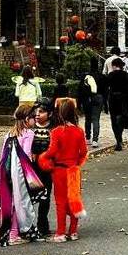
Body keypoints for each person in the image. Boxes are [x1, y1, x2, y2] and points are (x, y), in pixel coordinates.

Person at [39, 98, 89, 242]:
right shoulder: (79, 131)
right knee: (74, 199)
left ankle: (60, 232)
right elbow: (84, 152)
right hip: (73, 169)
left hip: (59, 170)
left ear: (59, 113)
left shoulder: (56, 131)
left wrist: (43, 157)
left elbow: (51, 151)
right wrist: (77, 164)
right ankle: (73, 231)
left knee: (60, 201)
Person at [0, 104, 46, 246]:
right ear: (26, 119)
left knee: (9, 200)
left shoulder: (9, 134)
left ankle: (11, 232)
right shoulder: (29, 134)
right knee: (21, 200)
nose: (35, 120)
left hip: (5, 171)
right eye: (33, 118)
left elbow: (2, 155)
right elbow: (27, 155)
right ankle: (18, 233)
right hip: (19, 172)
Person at [31, 100, 55, 234]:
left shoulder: (53, 129)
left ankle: (42, 224)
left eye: (42, 111)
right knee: (29, 196)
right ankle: (27, 225)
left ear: (50, 114)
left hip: (47, 168)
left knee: (45, 196)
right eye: (36, 111)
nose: (38, 114)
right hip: (31, 168)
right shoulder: (30, 128)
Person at [104, 58, 128, 151]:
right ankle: (127, 135)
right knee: (123, 118)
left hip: (113, 99)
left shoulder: (110, 75)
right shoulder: (126, 76)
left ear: (113, 65)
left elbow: (106, 88)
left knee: (114, 120)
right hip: (124, 100)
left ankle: (118, 140)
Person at [78, 64, 102, 147]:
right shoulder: (98, 76)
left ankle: (88, 138)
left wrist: (78, 105)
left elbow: (79, 93)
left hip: (86, 101)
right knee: (96, 120)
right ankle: (95, 140)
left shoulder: (83, 80)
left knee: (87, 119)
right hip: (97, 99)